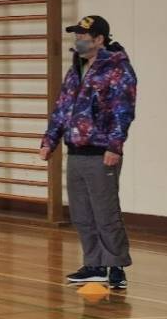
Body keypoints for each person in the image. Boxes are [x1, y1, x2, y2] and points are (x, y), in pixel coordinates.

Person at [40, 15, 137, 290]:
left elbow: (123, 110)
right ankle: (94, 265)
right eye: (77, 36)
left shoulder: (118, 68)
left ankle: (115, 266)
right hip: (76, 151)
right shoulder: (76, 70)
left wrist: (114, 146)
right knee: (82, 213)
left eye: (83, 37)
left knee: (105, 211)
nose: (78, 41)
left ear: (99, 39)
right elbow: (62, 108)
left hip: (101, 152)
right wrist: (50, 140)